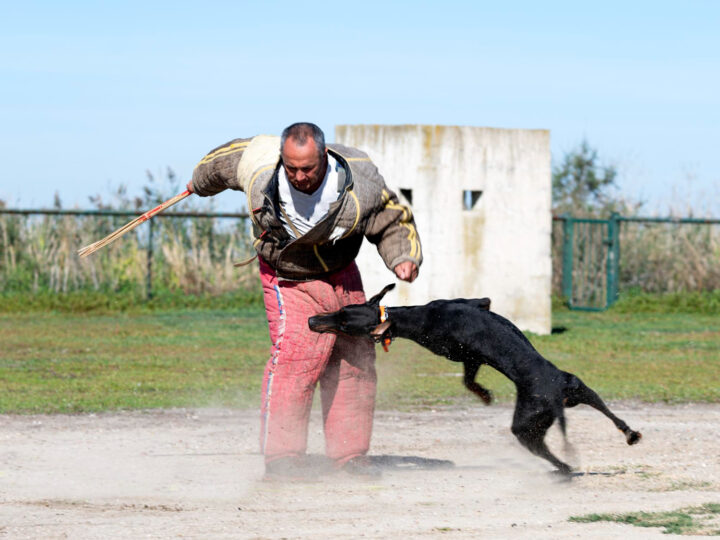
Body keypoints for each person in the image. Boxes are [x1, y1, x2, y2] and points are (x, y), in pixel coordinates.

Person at [186, 122, 422, 479]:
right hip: (288, 278)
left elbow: (391, 219)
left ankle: (350, 456)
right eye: (292, 167)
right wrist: (197, 183)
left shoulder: (360, 181)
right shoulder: (262, 171)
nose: (299, 176)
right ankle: (282, 457)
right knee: (299, 359)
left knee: (354, 358)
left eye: (308, 168)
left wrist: (403, 257)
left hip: (342, 273)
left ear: (324, 156)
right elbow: (227, 160)